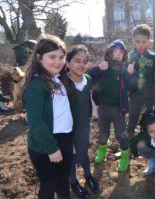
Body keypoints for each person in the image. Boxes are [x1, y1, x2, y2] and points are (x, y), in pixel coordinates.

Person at [22, 35, 74, 199]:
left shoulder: (56, 78)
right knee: (49, 185)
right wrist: (52, 148)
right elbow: (36, 122)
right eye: (52, 57)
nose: (58, 61)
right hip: (47, 145)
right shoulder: (36, 86)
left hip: (64, 139)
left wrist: (68, 142)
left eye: (61, 57)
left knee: (63, 181)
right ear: (39, 58)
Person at [88, 39, 130, 172]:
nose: (117, 54)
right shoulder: (102, 67)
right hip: (103, 108)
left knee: (120, 134)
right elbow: (87, 78)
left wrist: (133, 73)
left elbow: (134, 85)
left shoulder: (124, 70)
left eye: (121, 52)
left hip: (118, 109)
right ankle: (102, 152)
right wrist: (98, 69)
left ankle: (125, 156)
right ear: (109, 52)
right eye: (115, 51)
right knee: (103, 133)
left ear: (124, 55)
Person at [126, 24, 155, 139]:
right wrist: (128, 73)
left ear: (148, 41)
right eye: (138, 41)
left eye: (144, 42)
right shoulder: (129, 57)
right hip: (135, 94)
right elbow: (123, 79)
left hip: (151, 93)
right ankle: (128, 145)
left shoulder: (153, 57)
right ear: (133, 41)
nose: (141, 44)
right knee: (132, 119)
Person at [66, 45, 99, 198]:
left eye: (85, 61)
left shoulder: (88, 79)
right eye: (77, 61)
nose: (82, 65)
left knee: (84, 152)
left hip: (84, 125)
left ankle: (88, 176)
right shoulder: (63, 82)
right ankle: (73, 182)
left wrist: (94, 112)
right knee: (71, 156)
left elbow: (89, 97)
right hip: (67, 128)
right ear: (67, 63)